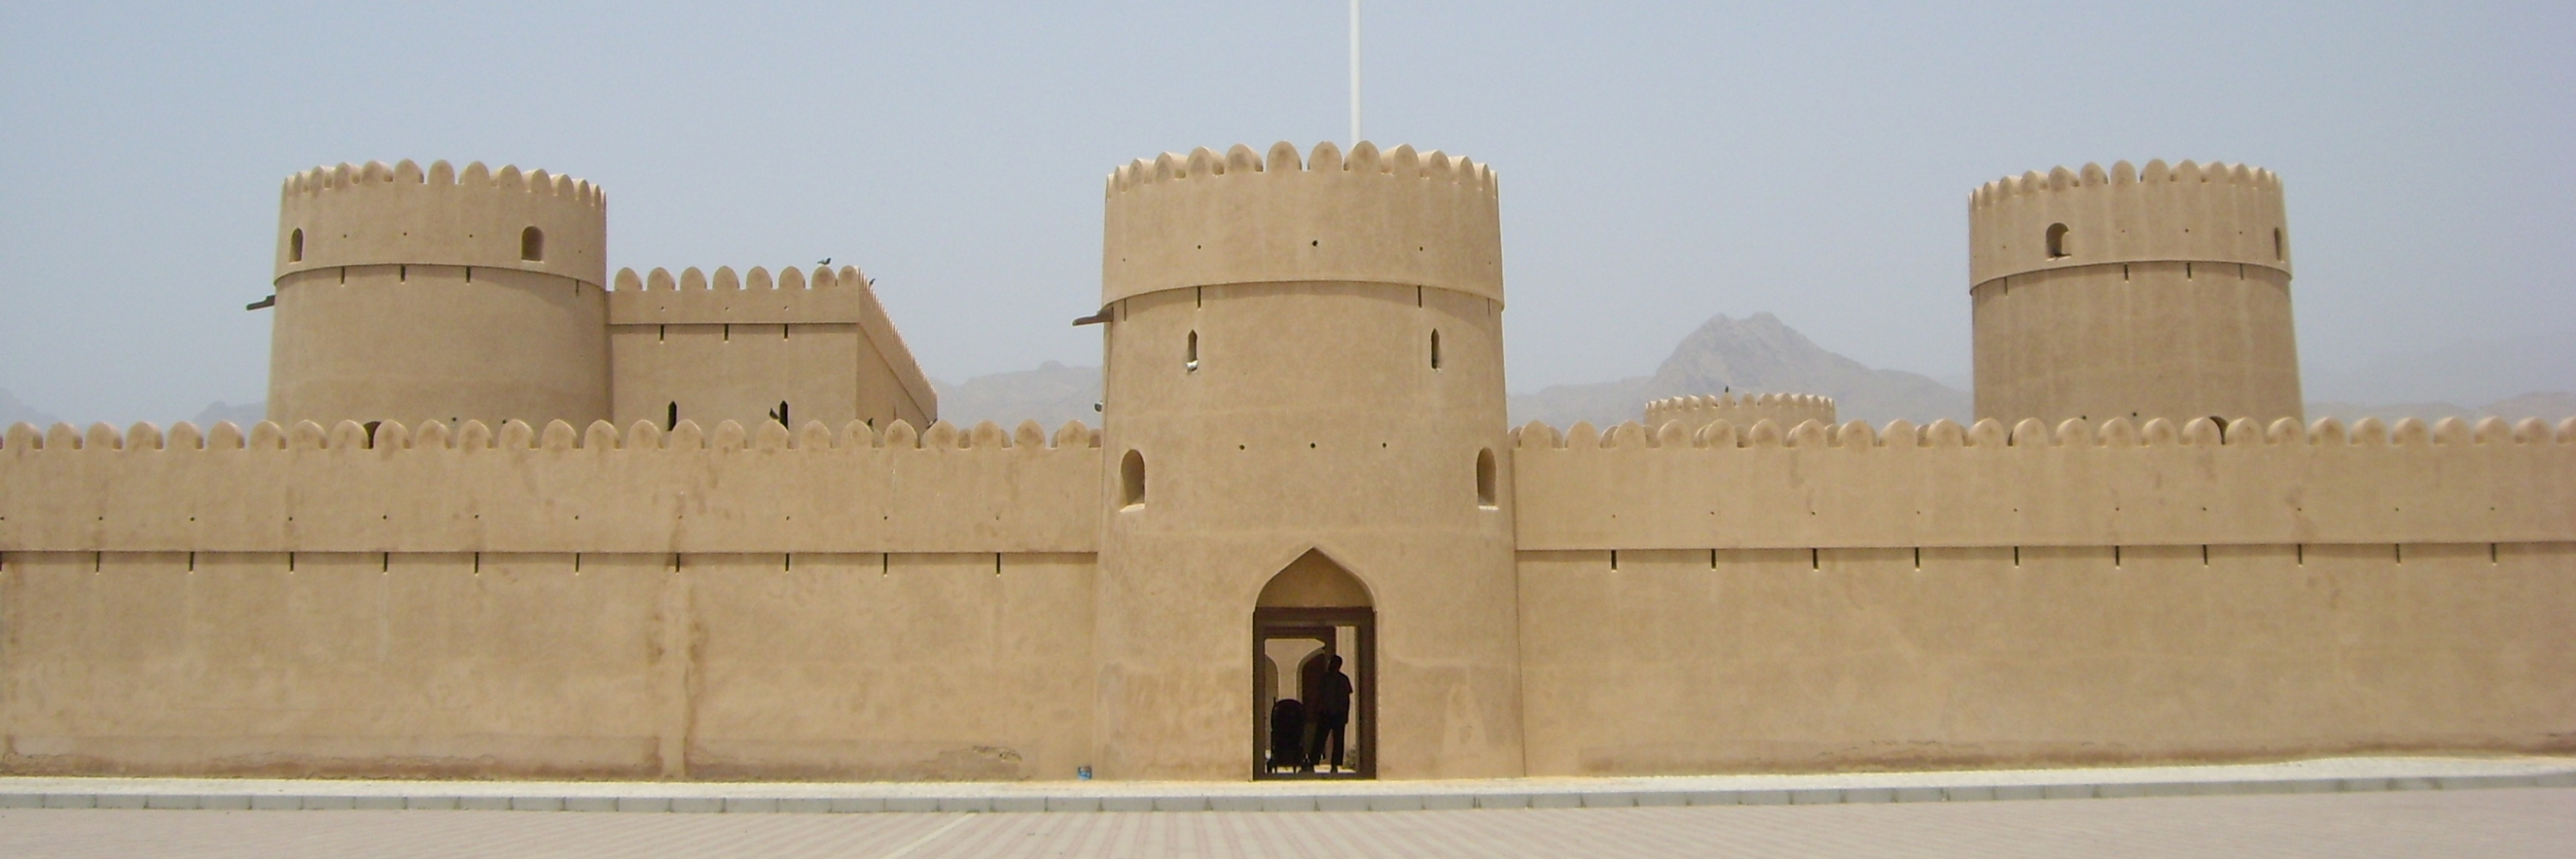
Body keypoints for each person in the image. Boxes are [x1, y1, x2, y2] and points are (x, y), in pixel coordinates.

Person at [1303, 655, 1353, 773]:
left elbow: (1346, 698)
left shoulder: (1343, 679)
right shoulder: (1324, 678)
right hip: (1325, 713)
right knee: (1319, 739)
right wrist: (1315, 710)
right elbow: (1319, 696)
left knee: (1338, 741)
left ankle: (1335, 765)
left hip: (1338, 714)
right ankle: (1313, 762)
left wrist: (1345, 714)